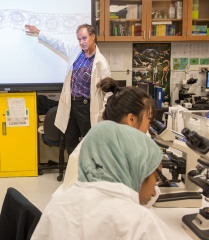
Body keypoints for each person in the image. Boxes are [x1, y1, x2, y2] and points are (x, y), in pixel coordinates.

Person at [31, 121, 174, 240]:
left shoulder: (57, 205)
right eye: (156, 179)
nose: (154, 193)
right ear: (138, 171)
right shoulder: (140, 223)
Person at [53, 78, 157, 197]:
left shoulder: (117, 139)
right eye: (149, 120)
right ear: (131, 119)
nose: (149, 126)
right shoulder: (102, 153)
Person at [25, 24, 111, 155]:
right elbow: (57, 43)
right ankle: (72, 173)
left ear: (93, 37)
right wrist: (39, 32)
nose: (81, 42)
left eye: (84, 38)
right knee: (70, 141)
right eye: (79, 39)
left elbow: (108, 92)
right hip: (71, 104)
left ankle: (87, 173)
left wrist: (103, 112)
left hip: (86, 107)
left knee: (89, 142)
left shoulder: (101, 63)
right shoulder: (75, 51)